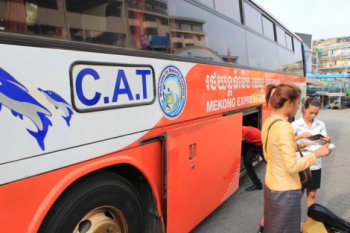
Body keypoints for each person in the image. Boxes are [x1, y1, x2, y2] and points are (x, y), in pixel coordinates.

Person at [261, 83, 331, 233]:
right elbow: (292, 166)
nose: (297, 107)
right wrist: (316, 154)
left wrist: (299, 146)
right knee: (286, 228)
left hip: (271, 184)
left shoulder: (269, 122)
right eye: (297, 103)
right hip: (285, 189)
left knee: (273, 227)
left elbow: (271, 151)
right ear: (288, 103)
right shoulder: (285, 126)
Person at [292, 97, 331, 207]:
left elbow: (324, 144)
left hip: (315, 164)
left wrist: (327, 141)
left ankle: (311, 222)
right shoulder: (295, 125)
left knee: (312, 194)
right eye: (311, 113)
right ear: (304, 109)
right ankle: (293, 221)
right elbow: (287, 144)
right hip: (300, 163)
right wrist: (300, 136)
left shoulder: (320, 124)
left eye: (316, 114)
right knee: (298, 193)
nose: (313, 116)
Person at [242, 126, 263, 191]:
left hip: (261, 144)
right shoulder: (240, 129)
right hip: (253, 143)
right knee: (247, 163)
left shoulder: (241, 132)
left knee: (270, 161)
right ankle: (258, 185)